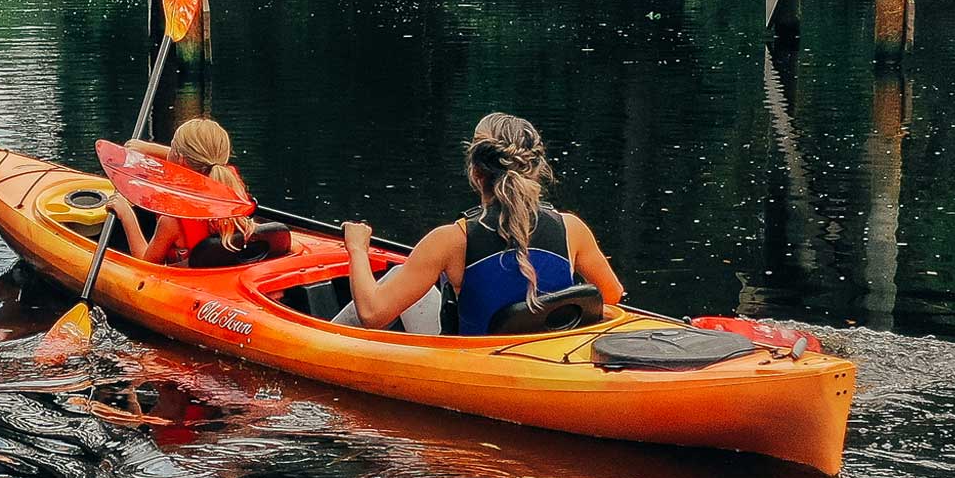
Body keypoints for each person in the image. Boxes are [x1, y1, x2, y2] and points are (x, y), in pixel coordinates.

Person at [335, 113, 627, 335]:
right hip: (546, 357)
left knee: (397, 278)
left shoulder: (451, 240)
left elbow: (373, 314)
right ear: (536, 169)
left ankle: (327, 343)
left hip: (474, 362)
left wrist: (357, 248)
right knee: (401, 272)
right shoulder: (572, 229)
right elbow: (611, 294)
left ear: (475, 172)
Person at [102, 118, 268, 268]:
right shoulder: (232, 189)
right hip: (226, 270)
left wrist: (126, 215)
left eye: (172, 145)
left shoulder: (172, 220)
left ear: (180, 158)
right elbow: (198, 159)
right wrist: (148, 148)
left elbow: (146, 264)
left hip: (190, 283)